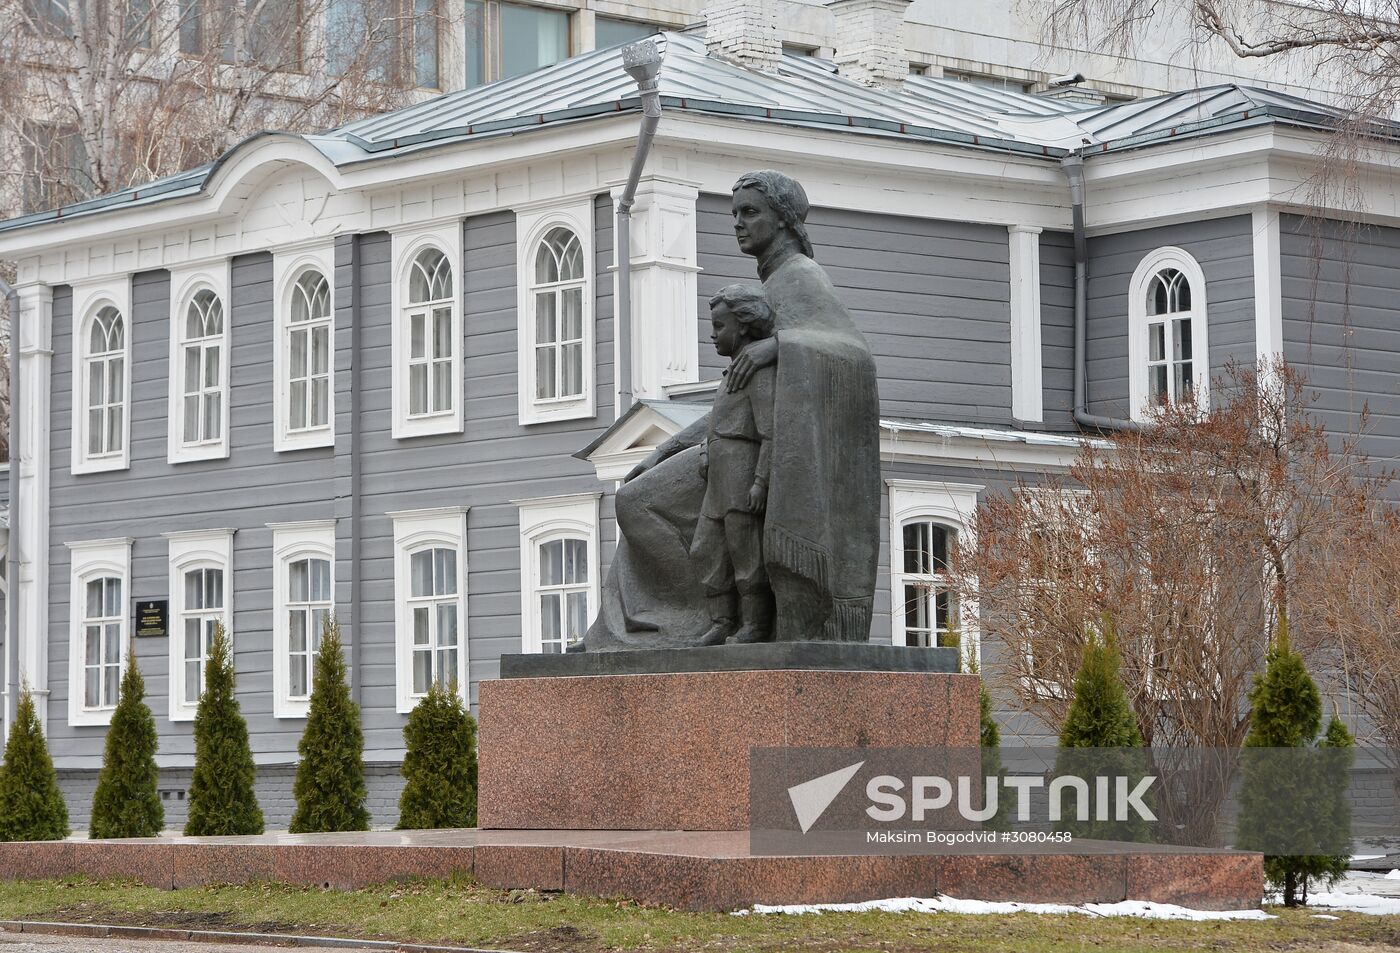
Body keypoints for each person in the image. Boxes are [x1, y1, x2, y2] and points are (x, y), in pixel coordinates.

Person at [579, 170, 880, 650]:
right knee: (638, 496)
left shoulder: (799, 276)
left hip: (754, 458)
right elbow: (730, 397)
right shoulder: (770, 280)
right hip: (727, 449)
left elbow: (853, 356)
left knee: (637, 502)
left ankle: (676, 620)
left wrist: (778, 345)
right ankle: (656, 622)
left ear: (783, 220)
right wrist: (664, 449)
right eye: (735, 213)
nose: (738, 222)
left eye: (750, 212)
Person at [692, 285, 777, 646]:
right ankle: (722, 619)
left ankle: (755, 624)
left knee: (745, 553)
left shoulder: (756, 372)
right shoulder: (731, 373)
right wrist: (705, 449)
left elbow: (769, 431)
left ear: (742, 326)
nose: (712, 335)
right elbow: (717, 421)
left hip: (741, 471)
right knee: (705, 548)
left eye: (719, 326)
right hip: (719, 476)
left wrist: (760, 481)